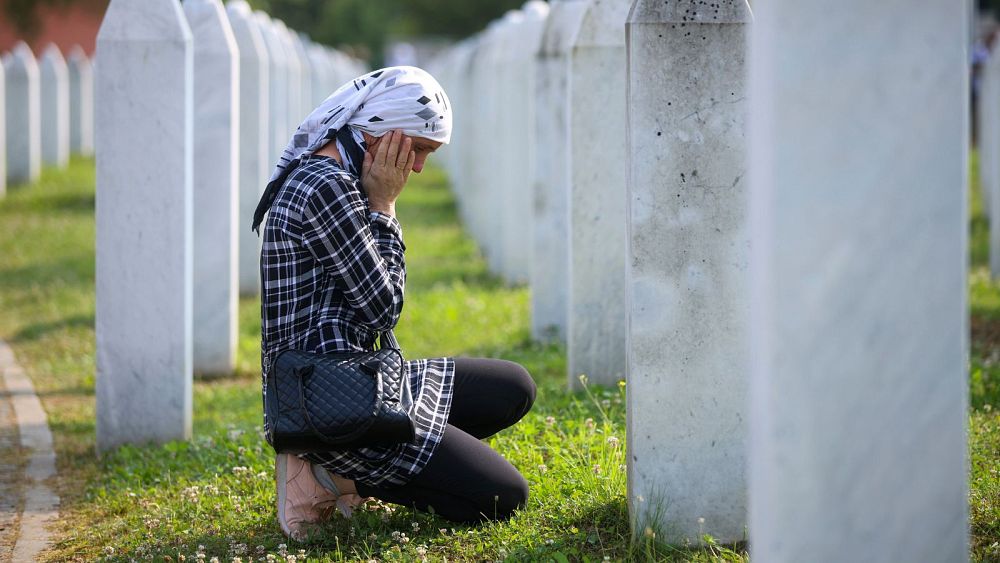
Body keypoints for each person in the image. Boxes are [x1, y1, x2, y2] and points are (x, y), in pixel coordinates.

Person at [251, 66, 537, 541]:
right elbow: (383, 309)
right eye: (420, 149)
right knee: (504, 497)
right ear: (385, 134)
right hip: (329, 404)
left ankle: (365, 467)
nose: (420, 167)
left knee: (514, 387)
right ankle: (330, 474)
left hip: (358, 375)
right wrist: (384, 207)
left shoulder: (341, 172)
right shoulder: (328, 187)